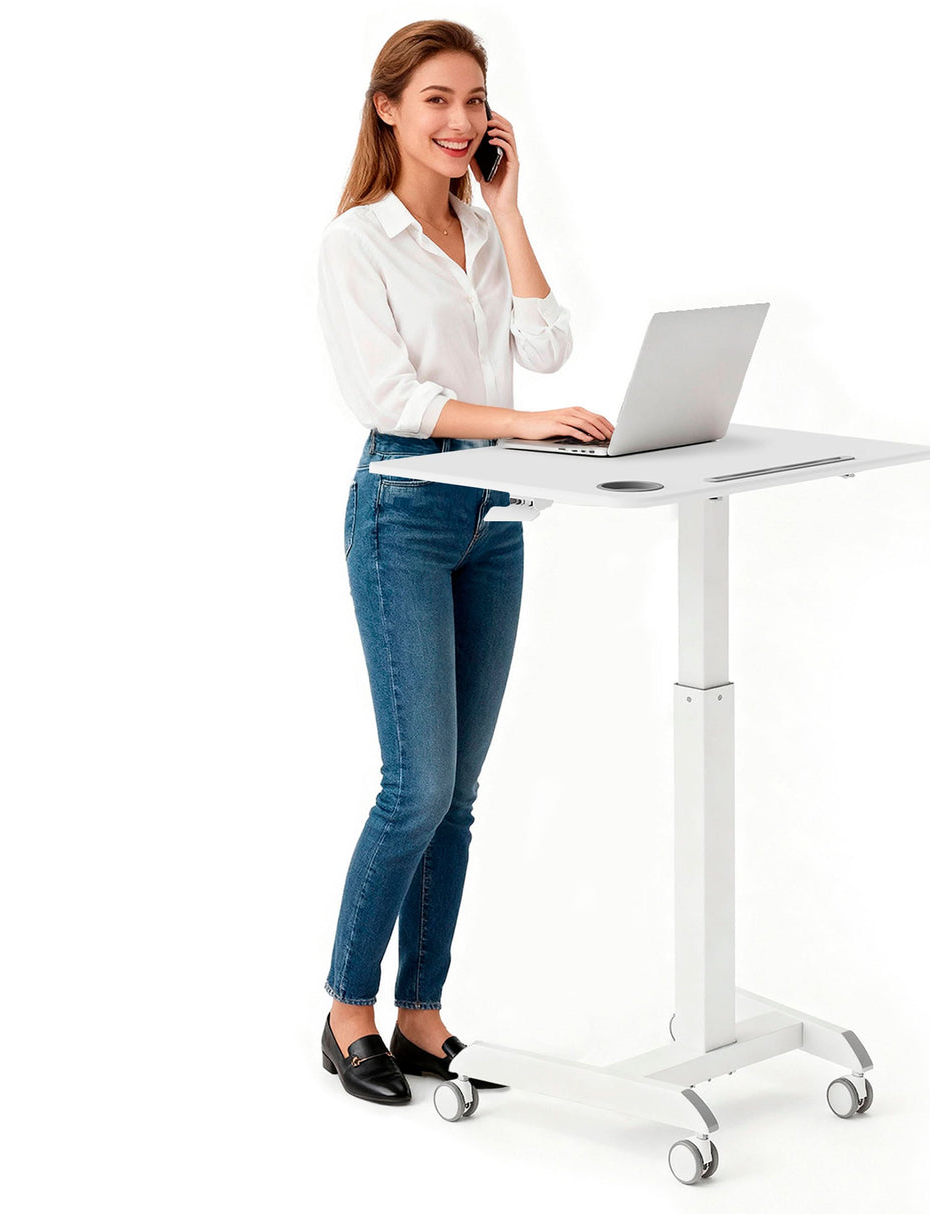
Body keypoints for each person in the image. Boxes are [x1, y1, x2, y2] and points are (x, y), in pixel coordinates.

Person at [315, 19, 614, 1105]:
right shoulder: (358, 241)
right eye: (435, 98)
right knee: (415, 786)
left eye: (474, 99)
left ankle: (421, 1010)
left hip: (491, 518)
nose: (459, 119)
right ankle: (349, 1006)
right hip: (403, 505)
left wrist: (508, 209)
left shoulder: (480, 228)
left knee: (461, 794)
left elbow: (544, 345)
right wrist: (527, 428)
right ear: (387, 106)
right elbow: (389, 399)